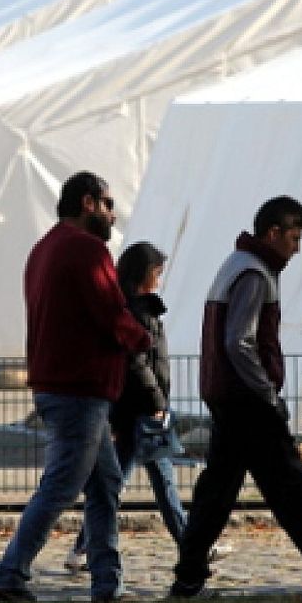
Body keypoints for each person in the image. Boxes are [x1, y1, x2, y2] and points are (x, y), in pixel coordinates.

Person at [0, 171, 151, 603]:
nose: (113, 215)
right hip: (80, 385)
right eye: (108, 203)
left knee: (104, 482)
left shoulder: (44, 248)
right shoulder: (86, 249)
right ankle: (9, 573)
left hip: (58, 382)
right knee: (62, 485)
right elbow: (110, 313)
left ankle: (106, 580)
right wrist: (141, 336)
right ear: (88, 203)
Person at [170, 196, 302, 599]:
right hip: (247, 399)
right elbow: (240, 341)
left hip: (226, 394)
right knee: (290, 485)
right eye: (295, 238)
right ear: (274, 234)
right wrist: (267, 392)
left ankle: (189, 575)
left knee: (218, 489)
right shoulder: (256, 273)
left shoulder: (236, 264)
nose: (297, 248)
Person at [63, 242, 197, 573]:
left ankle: (191, 546)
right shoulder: (138, 312)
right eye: (157, 274)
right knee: (119, 483)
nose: (161, 281)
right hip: (141, 412)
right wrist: (156, 400)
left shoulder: (135, 308)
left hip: (142, 410)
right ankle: (84, 547)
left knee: (157, 482)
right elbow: (139, 361)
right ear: (144, 275)